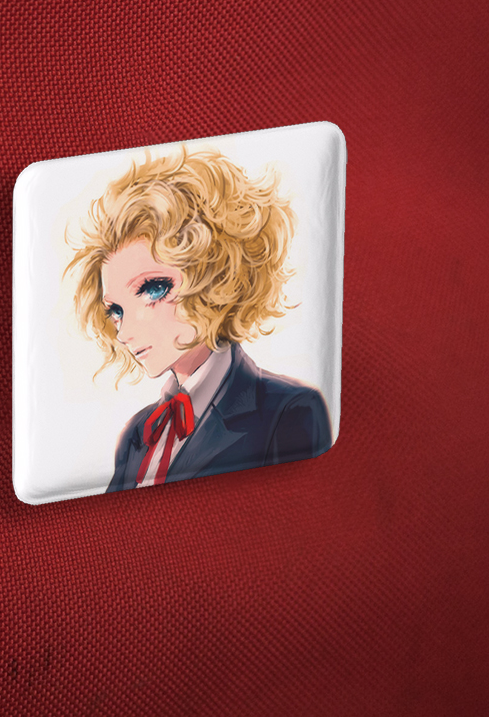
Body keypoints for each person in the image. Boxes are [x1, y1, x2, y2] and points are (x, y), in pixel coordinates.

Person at [67, 147, 332, 492]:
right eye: (116, 311)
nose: (124, 332)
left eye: (153, 289)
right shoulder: (137, 434)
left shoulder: (289, 411)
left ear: (218, 277)